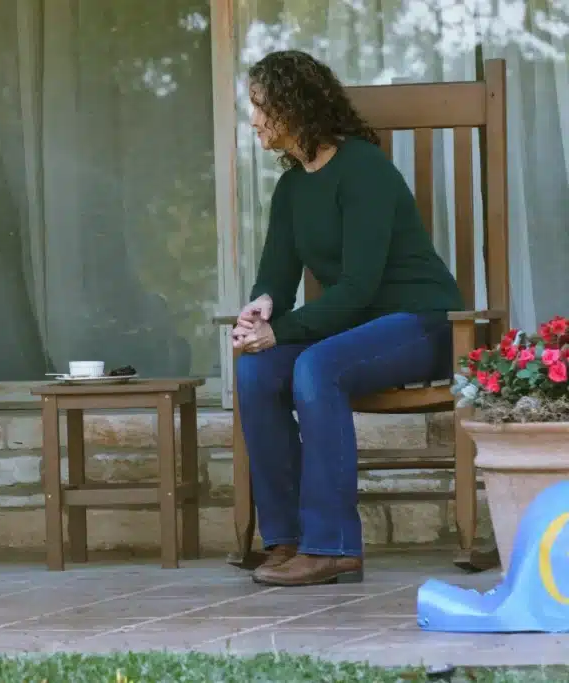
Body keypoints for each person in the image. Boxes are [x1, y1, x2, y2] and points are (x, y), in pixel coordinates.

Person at [232, 50, 463, 587]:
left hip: (421, 321)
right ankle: (287, 539)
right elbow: (276, 276)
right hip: (355, 328)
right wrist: (262, 306)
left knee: (315, 367)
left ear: (295, 105)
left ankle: (332, 546)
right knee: (255, 370)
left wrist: (281, 333)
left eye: (260, 104)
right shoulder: (291, 188)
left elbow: (359, 287)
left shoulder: (363, 169)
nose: (254, 118)